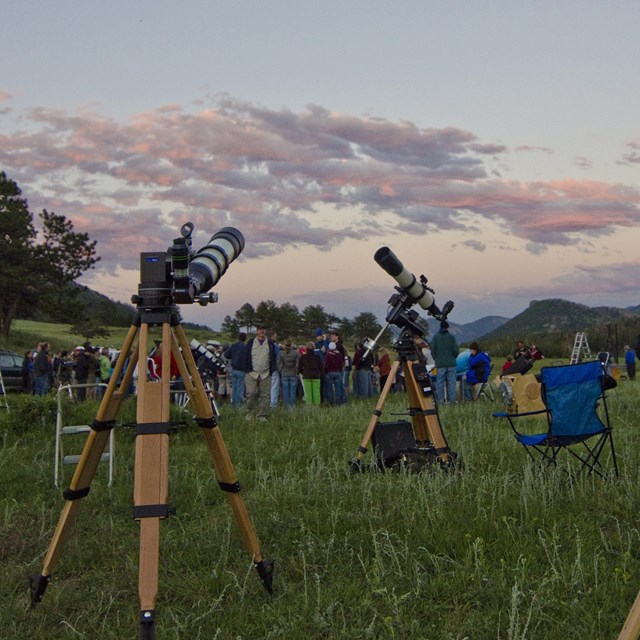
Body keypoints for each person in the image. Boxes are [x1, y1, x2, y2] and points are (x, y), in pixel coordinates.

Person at [242, 326, 277, 422]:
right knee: (251, 393)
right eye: (260, 329)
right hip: (252, 373)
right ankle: (249, 413)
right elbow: (245, 356)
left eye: (263, 329)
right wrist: (247, 369)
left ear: (265, 331)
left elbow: (273, 357)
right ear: (257, 331)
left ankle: (262, 415)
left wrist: (272, 370)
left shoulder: (270, 343)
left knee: (264, 396)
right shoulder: (250, 342)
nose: (262, 331)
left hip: (265, 374)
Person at [431, 320, 459, 404]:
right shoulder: (451, 337)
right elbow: (456, 350)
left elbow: (433, 350)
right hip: (451, 363)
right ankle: (452, 401)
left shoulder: (435, 337)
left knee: (439, 382)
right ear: (447, 328)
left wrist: (437, 359)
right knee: (451, 382)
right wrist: (453, 357)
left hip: (440, 364)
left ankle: (440, 401)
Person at [224, 332, 248, 408]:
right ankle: (239, 405)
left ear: (239, 338)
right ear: (245, 339)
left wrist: (233, 357)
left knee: (234, 388)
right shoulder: (245, 347)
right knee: (240, 389)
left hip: (233, 369)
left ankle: (233, 404)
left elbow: (226, 355)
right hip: (242, 370)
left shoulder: (233, 345)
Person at [278, 339, 300, 408]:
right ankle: (292, 407)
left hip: (284, 373)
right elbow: (297, 364)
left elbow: (279, 363)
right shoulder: (295, 353)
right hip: (293, 373)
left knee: (285, 391)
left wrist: (281, 371)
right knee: (292, 392)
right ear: (291, 345)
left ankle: (286, 406)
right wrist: (297, 372)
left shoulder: (281, 353)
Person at [269, 331, 281, 408]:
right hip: (274, 368)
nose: (276, 338)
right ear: (272, 336)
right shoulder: (274, 346)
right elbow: (278, 357)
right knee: (274, 386)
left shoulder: (264, 345)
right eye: (275, 336)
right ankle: (273, 404)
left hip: (265, 368)